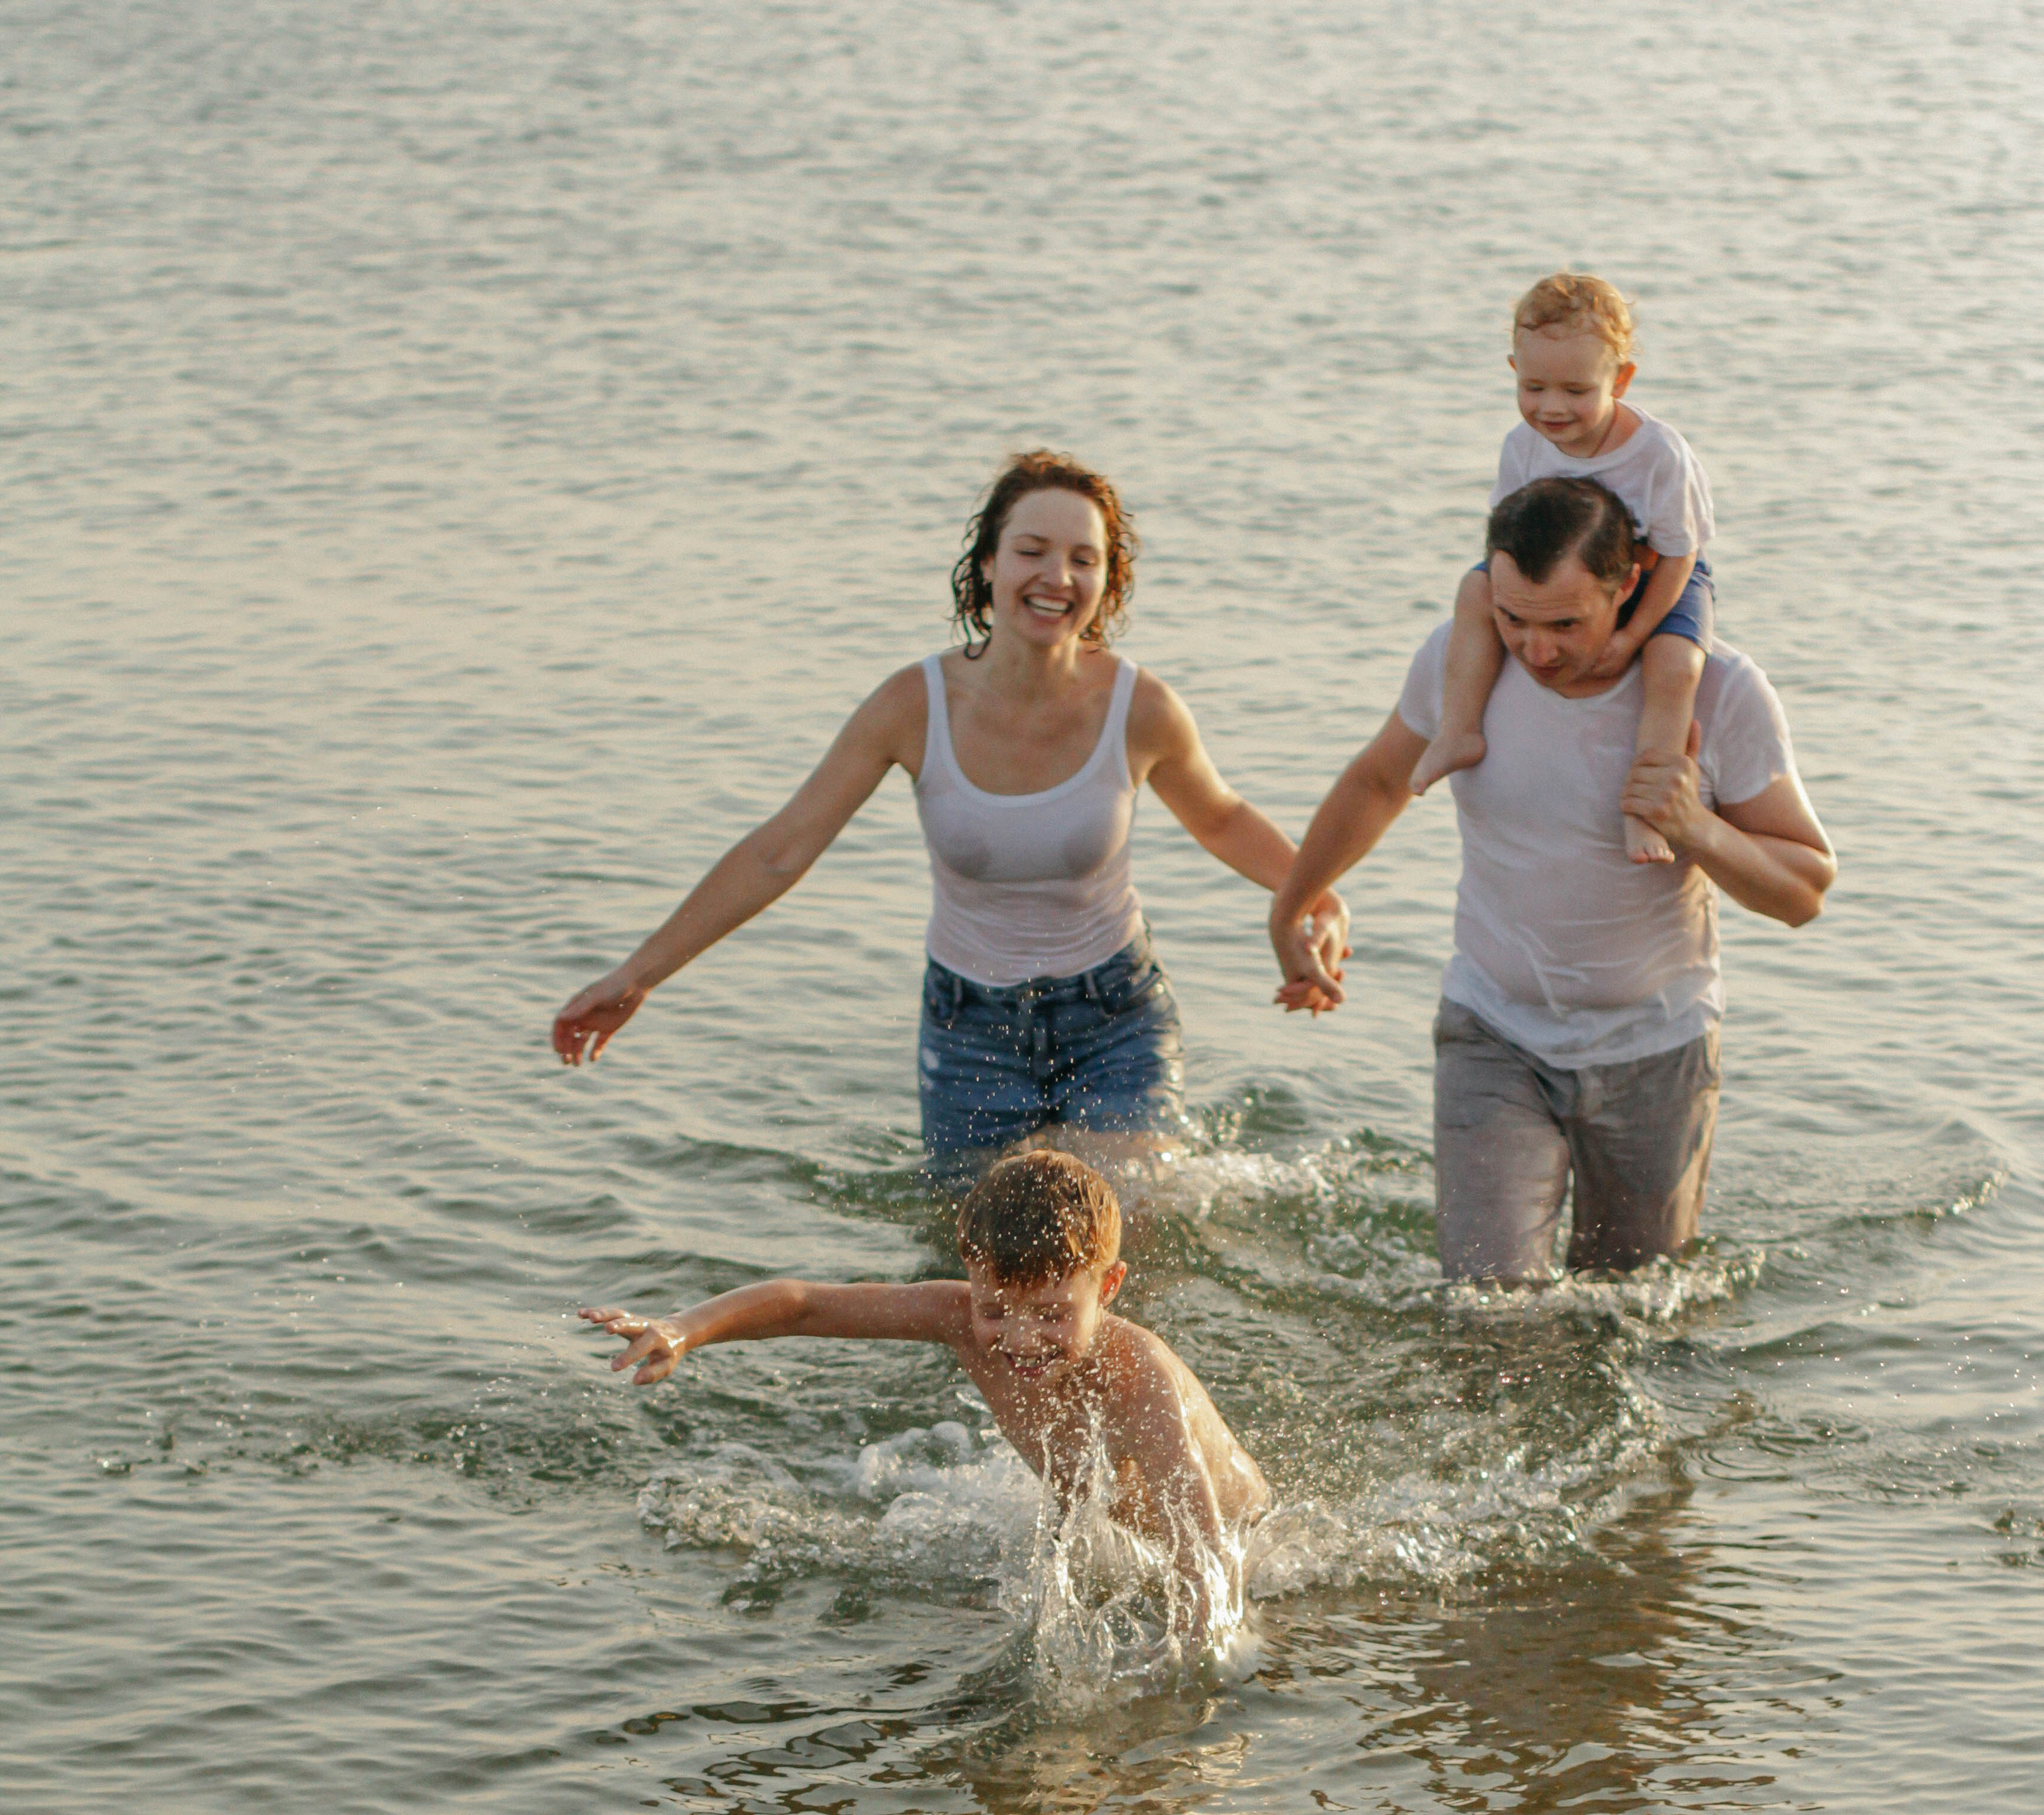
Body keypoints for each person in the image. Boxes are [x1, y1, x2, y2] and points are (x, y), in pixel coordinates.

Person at [553, 452, 1347, 1178]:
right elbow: (780, 851)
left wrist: (1314, 896)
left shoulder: (1140, 709)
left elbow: (1220, 817)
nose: (1056, 577)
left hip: (1114, 1016)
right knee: (979, 1275)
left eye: (1084, 559)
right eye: (1032, 550)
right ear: (988, 565)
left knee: (1122, 1237)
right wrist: (638, 974)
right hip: (969, 1029)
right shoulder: (912, 706)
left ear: (1109, 581)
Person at [1269, 477, 1836, 1286]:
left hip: (1657, 1049)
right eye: (1513, 620)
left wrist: (1696, 827)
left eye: (1565, 624)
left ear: (1630, 585)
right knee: (1485, 1305)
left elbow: (1804, 891)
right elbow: (1375, 784)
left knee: (1632, 1313)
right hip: (1493, 1035)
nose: (1535, 652)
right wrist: (1289, 907)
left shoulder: (1718, 689)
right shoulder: (1462, 665)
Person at [581, 1147, 1268, 1640]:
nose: (1022, 1341)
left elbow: (1204, 1552)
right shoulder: (954, 1317)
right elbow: (805, 1307)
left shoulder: (1136, 1375)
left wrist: (1183, 1681)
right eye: (995, 1308)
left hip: (1250, 1544)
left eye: (1054, 1314)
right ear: (969, 1270)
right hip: (1115, 1527)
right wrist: (684, 1328)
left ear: (1108, 1289)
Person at [1409, 273, 1717, 866]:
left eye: (1576, 390)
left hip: (1658, 570)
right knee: (1473, 589)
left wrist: (1631, 634)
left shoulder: (1657, 455)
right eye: (1533, 387)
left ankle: (1644, 806)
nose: (1552, 407)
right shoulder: (1521, 446)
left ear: (1620, 380)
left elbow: (1680, 555)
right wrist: (1517, 620)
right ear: (1513, 371)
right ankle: (1458, 730)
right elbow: (1509, 545)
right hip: (1556, 575)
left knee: (1676, 666)